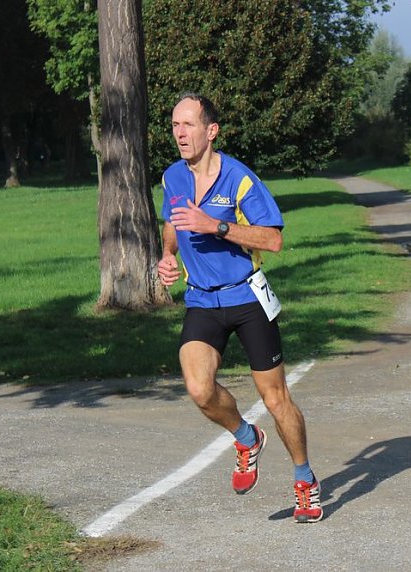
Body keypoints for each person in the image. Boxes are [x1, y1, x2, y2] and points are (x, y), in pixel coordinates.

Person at [157, 93, 322, 523]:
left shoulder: (239, 179)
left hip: (246, 297)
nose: (179, 133)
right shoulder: (173, 177)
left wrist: (218, 226)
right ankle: (246, 439)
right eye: (175, 125)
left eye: (188, 124)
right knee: (198, 387)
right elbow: (172, 223)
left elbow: (273, 239)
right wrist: (168, 255)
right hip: (201, 300)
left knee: (275, 397)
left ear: (211, 131)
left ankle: (304, 480)